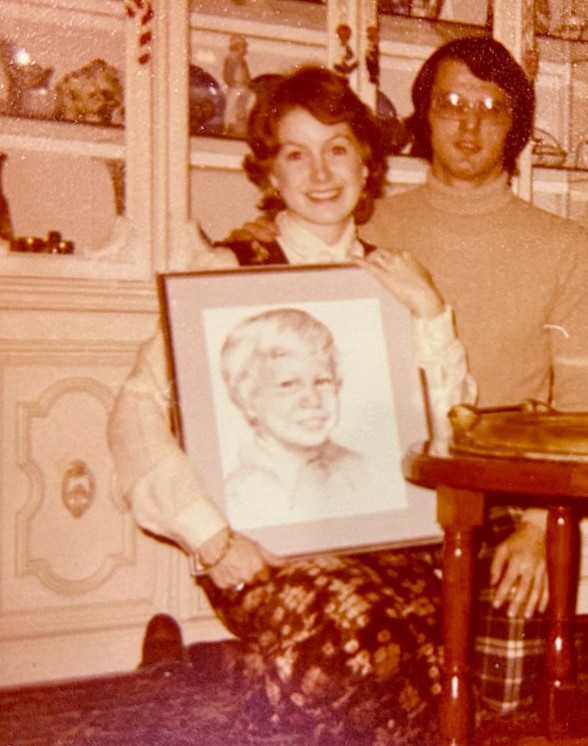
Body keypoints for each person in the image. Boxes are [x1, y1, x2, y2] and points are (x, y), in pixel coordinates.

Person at [108, 65, 474, 744]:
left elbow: (449, 432)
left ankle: (245, 693)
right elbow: (135, 409)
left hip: (378, 537)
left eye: (337, 148)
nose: (321, 173)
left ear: (366, 165)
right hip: (255, 547)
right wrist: (211, 538)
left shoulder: (393, 280)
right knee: (348, 635)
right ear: (270, 173)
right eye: (296, 154)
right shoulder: (227, 271)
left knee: (429, 632)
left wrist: (431, 313)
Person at [237, 38, 588, 714]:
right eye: (451, 103)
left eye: (492, 107)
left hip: (506, 497)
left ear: (516, 124)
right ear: (423, 114)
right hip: (384, 485)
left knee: (499, 699)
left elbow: (580, 401)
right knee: (377, 665)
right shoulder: (367, 224)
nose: (470, 124)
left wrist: (539, 528)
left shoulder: (568, 245)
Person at [220, 307, 372, 530]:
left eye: (322, 381)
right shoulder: (237, 496)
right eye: (288, 384)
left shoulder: (364, 471)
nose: (312, 399)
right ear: (248, 400)